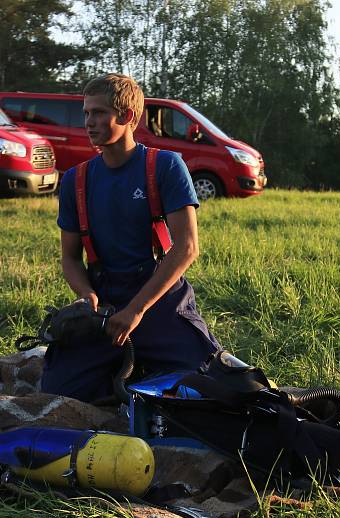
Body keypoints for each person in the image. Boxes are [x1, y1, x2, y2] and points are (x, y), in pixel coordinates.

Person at [41, 73, 221, 402]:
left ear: (127, 117)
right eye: (86, 113)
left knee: (212, 382)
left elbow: (186, 248)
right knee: (58, 392)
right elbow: (70, 257)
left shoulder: (165, 165)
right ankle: (126, 375)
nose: (89, 122)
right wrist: (86, 296)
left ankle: (143, 369)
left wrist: (136, 312)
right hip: (106, 301)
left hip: (159, 297)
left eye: (98, 113)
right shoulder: (74, 181)